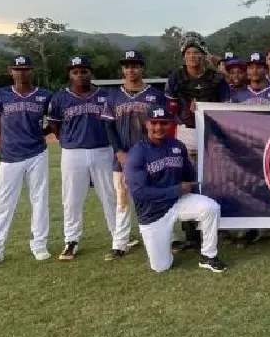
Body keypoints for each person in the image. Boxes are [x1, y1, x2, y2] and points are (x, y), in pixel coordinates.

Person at [123, 106, 227, 273]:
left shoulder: (178, 146)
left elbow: (190, 176)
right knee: (161, 267)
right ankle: (164, 244)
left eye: (163, 123)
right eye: (154, 123)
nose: (158, 127)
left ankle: (209, 256)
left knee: (210, 207)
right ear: (146, 124)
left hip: (178, 201)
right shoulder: (137, 153)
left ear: (169, 124)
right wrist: (175, 190)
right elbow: (139, 193)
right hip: (153, 212)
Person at [0, 56, 53, 271]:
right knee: (3, 203)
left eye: (26, 69)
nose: (22, 73)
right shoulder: (0, 94)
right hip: (10, 156)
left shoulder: (44, 96)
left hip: (37, 152)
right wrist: (0, 144)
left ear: (32, 71)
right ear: (11, 71)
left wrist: (41, 133)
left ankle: (39, 244)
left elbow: (53, 123)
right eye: (18, 69)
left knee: (39, 200)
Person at [47, 55, 116, 261]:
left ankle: (119, 235)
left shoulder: (105, 95)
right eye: (75, 71)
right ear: (70, 74)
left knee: (110, 195)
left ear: (90, 73)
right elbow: (54, 126)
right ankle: (71, 240)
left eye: (84, 71)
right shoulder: (60, 97)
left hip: (103, 150)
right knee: (72, 199)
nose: (80, 75)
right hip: (73, 153)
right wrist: (69, 140)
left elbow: (112, 124)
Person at [100, 50, 166, 260]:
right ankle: (120, 243)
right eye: (127, 66)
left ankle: (166, 236)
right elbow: (109, 127)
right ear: (122, 69)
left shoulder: (155, 95)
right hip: (123, 156)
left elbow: (162, 126)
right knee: (122, 200)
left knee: (157, 197)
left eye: (135, 66)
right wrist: (119, 151)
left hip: (150, 154)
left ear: (141, 68)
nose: (131, 70)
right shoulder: (114, 96)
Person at [164, 31, 226, 251]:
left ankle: (218, 224)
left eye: (196, 52)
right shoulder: (176, 77)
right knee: (187, 178)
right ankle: (191, 232)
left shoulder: (216, 78)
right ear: (184, 56)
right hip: (187, 130)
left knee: (215, 177)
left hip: (211, 131)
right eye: (189, 52)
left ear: (203, 55)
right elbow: (170, 110)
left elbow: (225, 106)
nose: (192, 56)